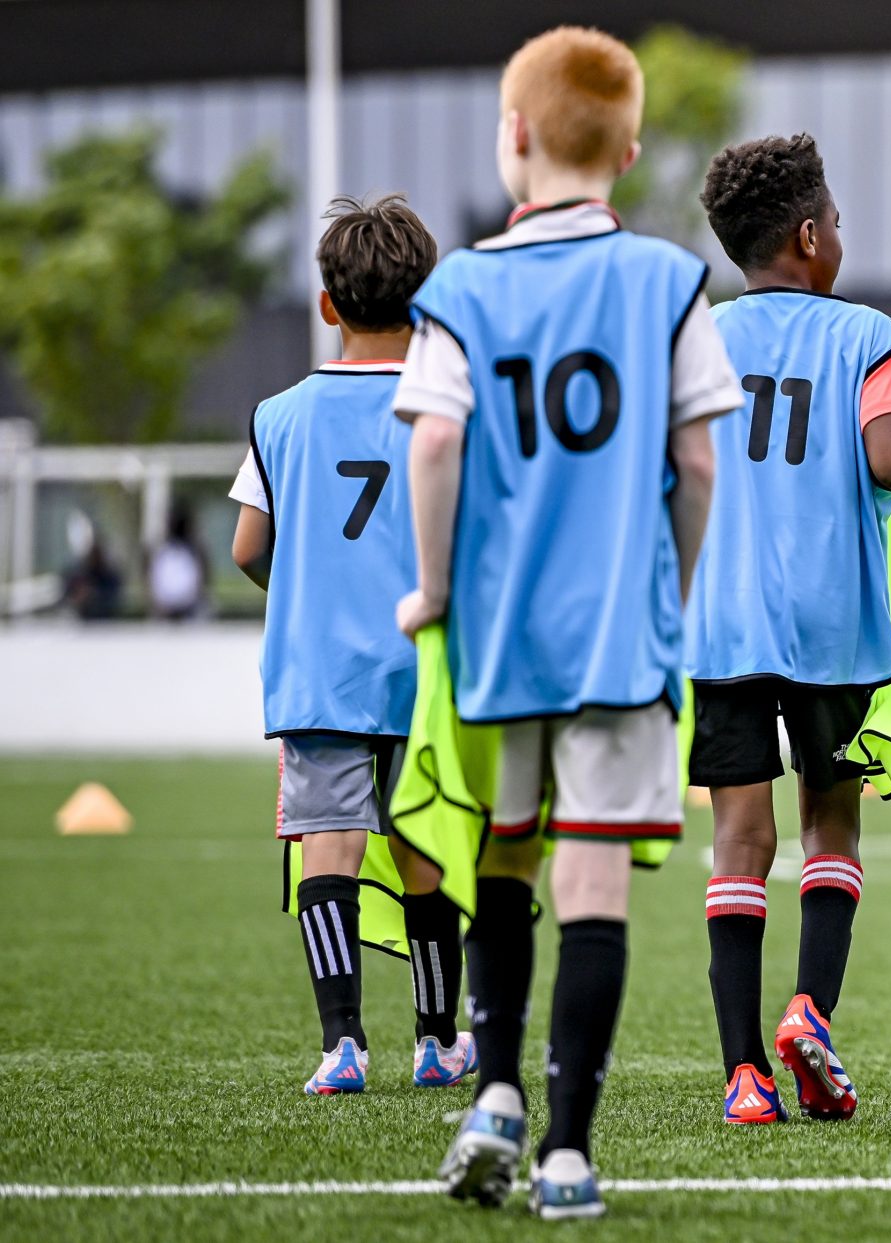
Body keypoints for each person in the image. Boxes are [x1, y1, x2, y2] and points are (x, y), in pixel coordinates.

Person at [394, 27, 740, 1220]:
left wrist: (433, 588)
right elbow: (697, 460)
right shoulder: (665, 281)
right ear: (630, 150)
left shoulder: (460, 288)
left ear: (516, 137)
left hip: (497, 635)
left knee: (503, 850)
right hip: (618, 635)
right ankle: (568, 1153)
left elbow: (433, 441)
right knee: (592, 875)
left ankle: (492, 1089)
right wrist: (678, 589)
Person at [688, 133, 891, 1125]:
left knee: (737, 840)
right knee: (830, 820)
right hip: (831, 624)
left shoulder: (696, 338)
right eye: (834, 220)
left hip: (722, 622)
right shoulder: (864, 335)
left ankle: (744, 1073)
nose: (839, 234)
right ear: (807, 236)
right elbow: (887, 457)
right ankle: (810, 1008)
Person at [226, 194, 472, 1096]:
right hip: (422, 667)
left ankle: (341, 1045)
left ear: (328, 305)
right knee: (426, 849)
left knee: (325, 849)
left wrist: (300, 592)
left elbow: (250, 548)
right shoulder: (449, 412)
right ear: (427, 303)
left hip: (319, 673)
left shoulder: (279, 415)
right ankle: (439, 1039)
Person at [146, 503, 210, 620]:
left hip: (189, 612)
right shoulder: (162, 551)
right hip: (165, 613)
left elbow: (200, 583)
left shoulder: (194, 552)